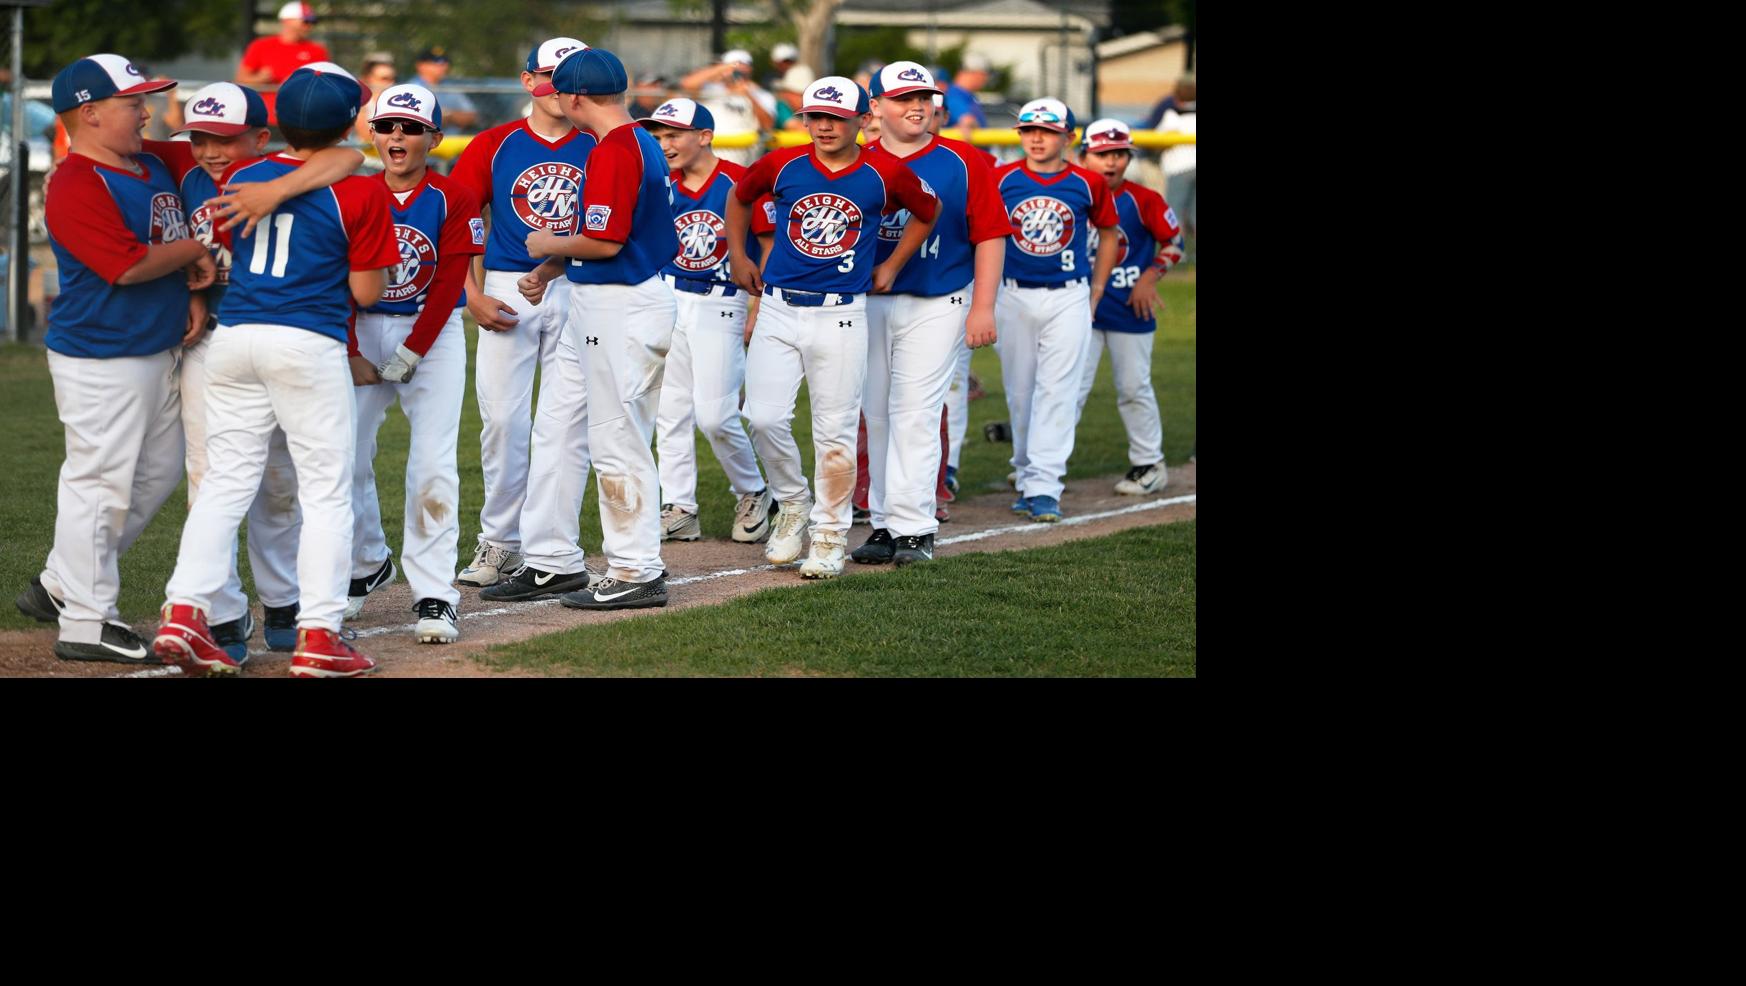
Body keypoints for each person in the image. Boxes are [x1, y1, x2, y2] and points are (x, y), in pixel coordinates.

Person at [152, 63, 401, 677]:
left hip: (234, 336)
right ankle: (319, 632)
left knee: (224, 483)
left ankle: (185, 610)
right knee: (325, 491)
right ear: (349, 124)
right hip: (306, 342)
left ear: (277, 124)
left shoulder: (245, 172)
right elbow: (367, 293)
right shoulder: (362, 188)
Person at [14, 54, 212, 664]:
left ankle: (59, 582)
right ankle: (86, 619)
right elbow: (125, 266)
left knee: (154, 476)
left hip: (153, 348)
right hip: (101, 353)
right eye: (133, 103)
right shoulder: (77, 182)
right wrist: (192, 252)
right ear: (91, 113)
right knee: (99, 485)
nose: (147, 112)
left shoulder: (151, 160)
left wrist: (193, 287)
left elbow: (227, 154)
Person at [724, 76, 939, 580]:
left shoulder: (886, 172)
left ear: (863, 121)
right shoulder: (783, 163)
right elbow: (739, 197)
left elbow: (928, 212)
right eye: (814, 116)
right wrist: (738, 254)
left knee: (835, 431)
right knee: (762, 416)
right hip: (777, 307)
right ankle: (794, 502)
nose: (823, 126)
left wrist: (892, 266)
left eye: (835, 118)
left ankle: (829, 534)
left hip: (841, 313)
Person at [517, 46, 679, 610]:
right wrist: (549, 267)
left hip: (624, 302)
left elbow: (606, 242)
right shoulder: (629, 141)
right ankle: (551, 561)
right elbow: (609, 235)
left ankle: (637, 568)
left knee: (617, 436)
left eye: (559, 91)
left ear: (574, 97)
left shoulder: (615, 149)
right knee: (558, 426)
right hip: (597, 298)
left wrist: (545, 244)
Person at [448, 37, 598, 597]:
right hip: (508, 286)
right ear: (527, 80)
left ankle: (551, 547)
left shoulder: (601, 143)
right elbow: (457, 222)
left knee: (564, 428)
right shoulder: (494, 142)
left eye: (570, 77)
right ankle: (500, 539)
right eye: (548, 76)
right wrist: (471, 294)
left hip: (581, 284)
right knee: (505, 422)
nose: (558, 88)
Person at [850, 62, 1009, 568]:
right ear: (874, 107)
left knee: (916, 413)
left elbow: (989, 235)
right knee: (875, 413)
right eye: (901, 98)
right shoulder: (856, 160)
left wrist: (983, 305)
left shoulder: (967, 161)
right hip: (867, 304)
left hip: (939, 300)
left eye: (924, 95)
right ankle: (881, 523)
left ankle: (915, 527)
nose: (917, 105)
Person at [343, 83, 484, 645]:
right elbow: (339, 281)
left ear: (434, 138)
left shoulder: (452, 196)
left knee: (432, 464)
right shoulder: (352, 192)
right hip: (362, 328)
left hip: (432, 330)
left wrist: (414, 348)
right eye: (386, 126)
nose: (396, 136)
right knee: (343, 458)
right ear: (371, 134)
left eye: (410, 127)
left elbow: (451, 278)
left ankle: (434, 595)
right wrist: (353, 349)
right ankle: (365, 562)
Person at [638, 97, 778, 545]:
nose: (665, 144)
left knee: (715, 415)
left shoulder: (739, 181)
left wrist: (760, 308)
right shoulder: (660, 182)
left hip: (724, 300)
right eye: (659, 136)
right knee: (671, 411)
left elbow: (768, 243)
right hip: (670, 297)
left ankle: (754, 490)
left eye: (674, 134)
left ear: (704, 136)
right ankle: (680, 505)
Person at [992, 97, 1121, 523]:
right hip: (1012, 293)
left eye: (1047, 131)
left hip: (1069, 293)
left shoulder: (1087, 182)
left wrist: (1097, 289)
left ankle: (1046, 485)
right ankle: (1026, 475)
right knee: (1021, 390)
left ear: (1069, 137)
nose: (1036, 138)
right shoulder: (1002, 179)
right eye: (1029, 130)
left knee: (1058, 392)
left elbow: (1108, 233)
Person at [1072, 119, 1185, 497]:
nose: (1111, 162)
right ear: (1083, 154)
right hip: (1078, 308)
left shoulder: (1143, 198)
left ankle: (1149, 462)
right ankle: (1044, 462)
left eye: (1119, 154)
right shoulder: (1072, 193)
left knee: (1134, 386)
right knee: (1068, 389)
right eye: (1102, 154)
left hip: (1128, 308)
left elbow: (1173, 243)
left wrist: (1150, 276)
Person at [235, 1, 329, 127]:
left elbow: (325, 84)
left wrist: (298, 82)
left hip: (302, 120)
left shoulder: (318, 51)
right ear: (287, 21)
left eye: (312, 22)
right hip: (265, 119)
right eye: (305, 21)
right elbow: (240, 80)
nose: (309, 26)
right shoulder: (261, 46)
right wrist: (260, 79)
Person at [680, 50, 774, 166]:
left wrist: (749, 96)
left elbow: (768, 125)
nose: (738, 71)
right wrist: (724, 67)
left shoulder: (761, 95)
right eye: (734, 67)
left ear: (750, 69)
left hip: (744, 163)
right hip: (707, 160)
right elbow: (687, 84)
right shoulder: (710, 89)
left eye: (744, 66)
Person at [413, 46, 479, 132]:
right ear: (421, 65)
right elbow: (416, 120)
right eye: (436, 62)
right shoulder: (413, 88)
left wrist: (448, 115)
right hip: (424, 143)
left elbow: (472, 116)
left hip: (453, 142)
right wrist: (447, 116)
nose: (443, 66)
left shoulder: (450, 87)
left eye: (445, 62)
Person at [354, 52, 396, 146]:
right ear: (368, 79)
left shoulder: (397, 101)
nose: (391, 83)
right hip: (368, 155)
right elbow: (365, 135)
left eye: (393, 78)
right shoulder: (361, 102)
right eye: (384, 78)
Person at [944, 53, 990, 136]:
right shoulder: (955, 95)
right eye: (984, 74)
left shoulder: (967, 95)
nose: (986, 78)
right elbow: (966, 120)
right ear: (974, 73)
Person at [773, 64, 814, 130]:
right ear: (787, 93)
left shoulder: (806, 111)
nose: (804, 99)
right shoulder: (780, 107)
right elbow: (795, 126)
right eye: (800, 95)